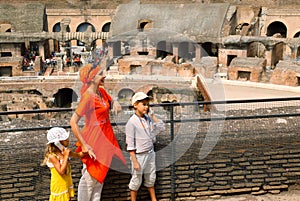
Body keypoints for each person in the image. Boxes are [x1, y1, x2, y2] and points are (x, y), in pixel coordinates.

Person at [70, 63, 126, 201]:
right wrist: (84, 145)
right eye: (100, 74)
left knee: (99, 181)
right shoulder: (88, 97)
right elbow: (73, 122)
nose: (104, 76)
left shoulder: (101, 91)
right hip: (93, 140)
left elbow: (110, 100)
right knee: (89, 179)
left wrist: (116, 103)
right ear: (92, 77)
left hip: (105, 138)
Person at [126, 92, 165, 201]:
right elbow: (130, 144)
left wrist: (152, 116)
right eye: (143, 104)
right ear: (135, 105)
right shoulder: (132, 122)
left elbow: (161, 127)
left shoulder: (148, 119)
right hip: (139, 155)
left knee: (151, 177)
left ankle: (153, 199)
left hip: (150, 152)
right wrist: (134, 161)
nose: (146, 107)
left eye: (147, 104)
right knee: (136, 179)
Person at [42, 127, 84, 201]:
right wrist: (66, 156)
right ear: (57, 142)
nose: (68, 140)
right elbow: (61, 171)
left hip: (66, 183)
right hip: (59, 186)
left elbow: (78, 155)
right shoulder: (52, 156)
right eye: (65, 139)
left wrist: (88, 150)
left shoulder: (64, 151)